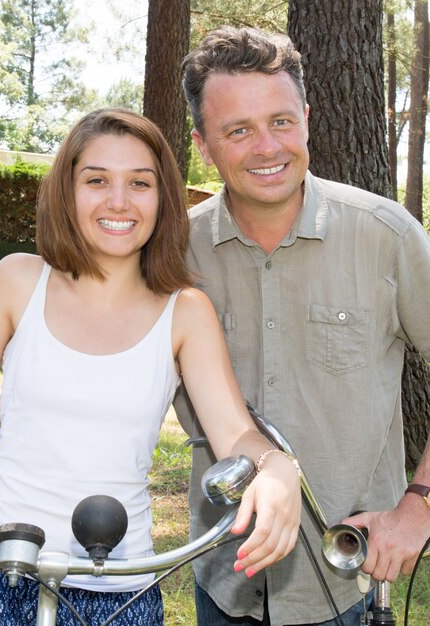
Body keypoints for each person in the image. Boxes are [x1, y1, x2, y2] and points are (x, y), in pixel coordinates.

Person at [0, 107, 302, 626]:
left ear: (162, 198)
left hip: (119, 587)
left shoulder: (185, 311)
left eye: (139, 183)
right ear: (66, 192)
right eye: (96, 180)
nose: (118, 201)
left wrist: (278, 466)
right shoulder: (18, 281)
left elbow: (235, 435)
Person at [171, 25, 430, 626]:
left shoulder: (387, 238)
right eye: (238, 130)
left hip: (348, 582)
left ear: (308, 119)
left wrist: (418, 507)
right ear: (203, 145)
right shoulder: (172, 256)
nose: (267, 147)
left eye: (281, 121)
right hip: (223, 579)